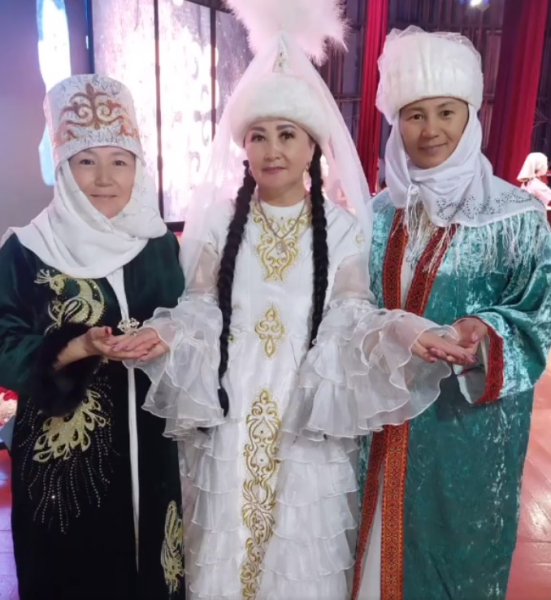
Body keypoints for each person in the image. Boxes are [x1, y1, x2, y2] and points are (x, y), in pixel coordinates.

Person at [116, 4, 475, 599]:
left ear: (313, 147)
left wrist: (408, 331)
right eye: (259, 136)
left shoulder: (343, 229)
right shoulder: (219, 226)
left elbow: (352, 316)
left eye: (287, 135)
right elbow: (201, 306)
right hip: (231, 416)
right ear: (244, 146)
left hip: (308, 414)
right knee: (227, 556)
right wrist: (168, 333)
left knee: (300, 562)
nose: (272, 149)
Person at [352, 27, 551, 600]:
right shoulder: (378, 213)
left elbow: (539, 312)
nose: (430, 130)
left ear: (471, 115)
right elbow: (353, 304)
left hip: (466, 432)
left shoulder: (515, 216)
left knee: (455, 561)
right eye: (415, 114)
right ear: (397, 122)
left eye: (446, 112)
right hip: (383, 422)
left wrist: (482, 331)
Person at [0, 74, 185, 600]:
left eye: (119, 162)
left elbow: (192, 315)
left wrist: (168, 335)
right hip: (65, 466)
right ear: (63, 167)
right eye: (86, 161)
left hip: (153, 443)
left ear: (137, 168)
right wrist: (75, 348)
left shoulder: (158, 244)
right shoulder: (25, 250)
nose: (104, 178)